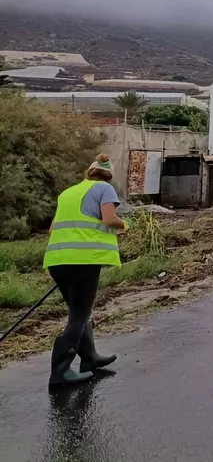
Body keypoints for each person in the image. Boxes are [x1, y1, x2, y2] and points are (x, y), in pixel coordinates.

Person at [44, 154, 129, 387]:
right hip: (84, 259)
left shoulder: (67, 193)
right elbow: (109, 219)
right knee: (80, 315)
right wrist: (126, 224)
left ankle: (90, 357)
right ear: (108, 175)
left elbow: (52, 230)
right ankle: (60, 371)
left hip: (57, 259)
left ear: (89, 172)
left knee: (78, 311)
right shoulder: (105, 189)